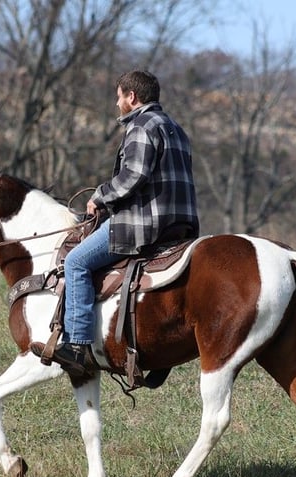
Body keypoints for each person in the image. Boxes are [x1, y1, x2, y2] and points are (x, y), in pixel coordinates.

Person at [31, 70, 199, 377]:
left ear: (131, 97)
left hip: (143, 225)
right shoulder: (176, 128)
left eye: (119, 95)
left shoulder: (141, 126)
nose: (116, 102)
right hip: (181, 226)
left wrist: (101, 196)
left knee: (77, 262)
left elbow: (133, 176)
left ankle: (77, 345)